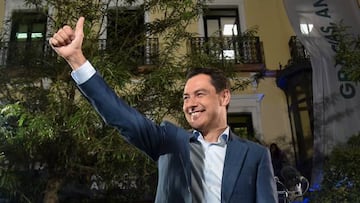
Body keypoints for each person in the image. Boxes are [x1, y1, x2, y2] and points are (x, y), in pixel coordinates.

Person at [49, 17, 278, 203]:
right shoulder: (168, 141)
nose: (190, 104)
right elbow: (120, 116)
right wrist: (77, 60)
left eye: (200, 94)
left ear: (224, 96)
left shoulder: (255, 156)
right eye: (186, 97)